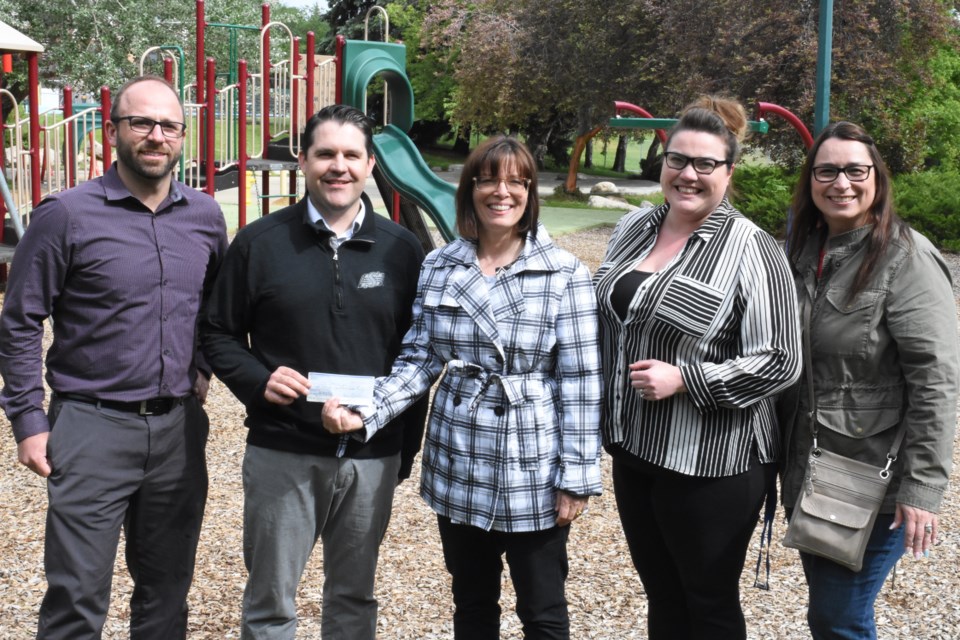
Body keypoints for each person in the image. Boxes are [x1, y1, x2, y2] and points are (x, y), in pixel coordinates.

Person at [323, 135, 603, 639]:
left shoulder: (564, 272)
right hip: (461, 453)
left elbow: (581, 380)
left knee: (542, 608)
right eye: (489, 179)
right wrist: (367, 410)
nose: (502, 192)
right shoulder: (441, 265)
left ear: (530, 192)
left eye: (517, 181)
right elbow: (420, 359)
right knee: (472, 603)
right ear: (471, 188)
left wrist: (576, 475)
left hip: (531, 460)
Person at [0, 75, 227, 639]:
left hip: (177, 430)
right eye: (140, 123)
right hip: (91, 426)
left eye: (168, 125)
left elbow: (217, 308)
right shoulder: (66, 215)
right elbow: (21, 318)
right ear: (113, 131)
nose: (155, 135)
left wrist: (200, 367)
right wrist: (28, 420)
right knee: (77, 597)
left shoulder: (204, 217)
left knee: (167, 593)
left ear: (183, 135)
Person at [200, 104, 427, 640]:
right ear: (303, 160)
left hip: (372, 453)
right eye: (325, 153)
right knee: (271, 603)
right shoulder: (260, 243)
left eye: (352, 155)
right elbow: (216, 333)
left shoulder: (403, 250)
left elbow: (418, 354)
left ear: (371, 165)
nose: (338, 166)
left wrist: (403, 449)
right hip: (284, 451)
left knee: (353, 598)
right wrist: (259, 381)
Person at [592, 96, 802, 639]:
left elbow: (781, 361)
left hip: (711, 464)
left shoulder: (752, 249)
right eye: (677, 160)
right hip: (636, 449)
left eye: (705, 164)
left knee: (707, 602)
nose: (688, 174)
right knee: (662, 595)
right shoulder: (635, 226)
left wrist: (687, 379)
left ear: (728, 173)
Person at [778, 121, 959, 640]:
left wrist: (922, 488)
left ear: (876, 178)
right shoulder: (800, 253)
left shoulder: (906, 258)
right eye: (827, 171)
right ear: (810, 180)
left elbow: (937, 380)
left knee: (839, 618)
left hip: (870, 476)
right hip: (810, 469)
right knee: (831, 613)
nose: (841, 183)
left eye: (855, 170)